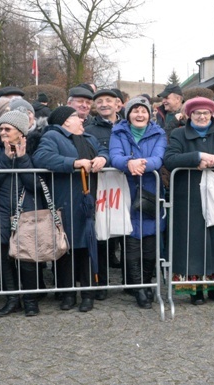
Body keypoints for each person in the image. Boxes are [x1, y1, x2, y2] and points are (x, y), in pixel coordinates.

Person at [163, 96, 214, 305]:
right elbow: (169, 159)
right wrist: (197, 156)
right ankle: (194, 289)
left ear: (211, 114)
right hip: (189, 197)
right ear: (190, 115)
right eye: (197, 113)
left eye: (206, 113)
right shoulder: (179, 134)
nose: (202, 116)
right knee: (193, 243)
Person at [32, 106, 108, 313]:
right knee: (65, 248)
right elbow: (41, 158)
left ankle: (88, 294)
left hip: (88, 201)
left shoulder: (88, 138)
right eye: (77, 117)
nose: (82, 120)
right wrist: (73, 163)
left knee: (87, 246)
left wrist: (103, 158)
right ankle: (67, 294)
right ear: (65, 120)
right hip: (65, 201)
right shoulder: (53, 137)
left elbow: (102, 150)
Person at [110, 97, 167, 309]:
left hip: (150, 192)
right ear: (128, 114)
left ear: (149, 114)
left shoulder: (159, 133)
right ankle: (138, 288)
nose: (139, 114)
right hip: (127, 191)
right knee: (132, 243)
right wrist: (128, 163)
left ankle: (146, 282)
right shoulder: (118, 132)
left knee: (151, 244)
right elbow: (114, 156)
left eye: (143, 111)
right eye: (135, 110)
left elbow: (159, 158)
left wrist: (139, 164)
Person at [0, 110, 45, 317]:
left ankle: (30, 300)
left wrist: (22, 160)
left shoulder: (34, 149)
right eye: (1, 128)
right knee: (3, 256)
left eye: (7, 129)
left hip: (26, 208)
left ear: (20, 132)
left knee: (26, 255)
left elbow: (36, 185)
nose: (2, 132)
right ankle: (12, 299)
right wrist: (4, 159)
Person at [86, 88, 125, 287]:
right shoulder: (89, 129)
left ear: (117, 103)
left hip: (126, 184)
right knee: (100, 233)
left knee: (126, 231)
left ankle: (130, 281)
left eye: (108, 100)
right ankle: (100, 282)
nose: (103, 104)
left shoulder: (127, 125)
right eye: (99, 101)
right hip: (100, 185)